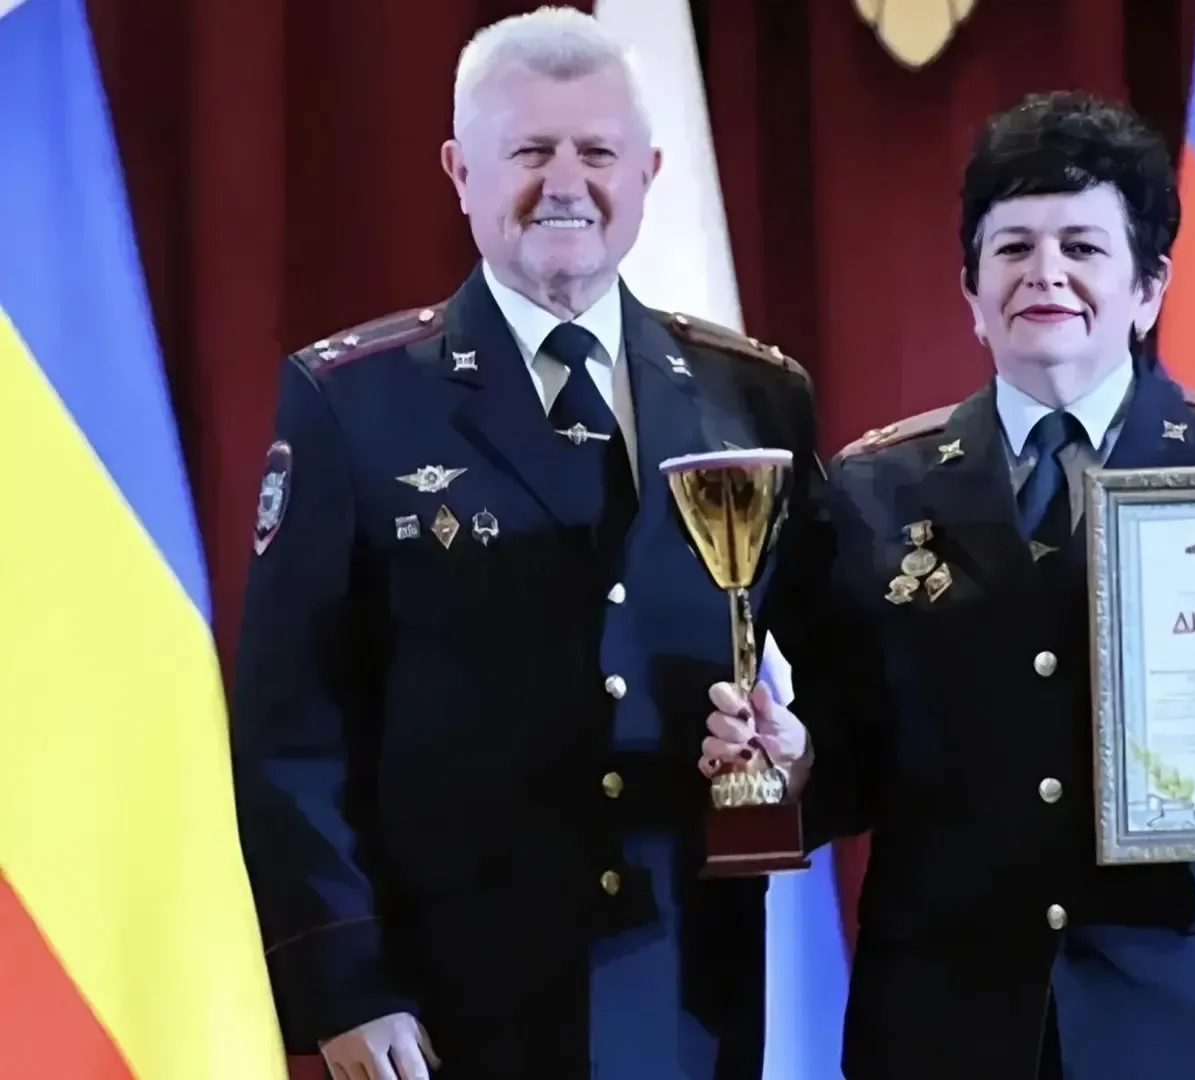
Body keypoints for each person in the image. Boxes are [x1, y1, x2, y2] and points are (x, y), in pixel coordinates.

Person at [712, 92, 1195, 1079]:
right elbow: (857, 755)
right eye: (1014, 248)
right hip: (958, 1029)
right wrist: (796, 763)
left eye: (1082, 246)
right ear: (971, 290)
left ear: (1148, 288)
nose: (1045, 272)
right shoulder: (873, 490)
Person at [229, 9, 828, 1079]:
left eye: (596, 151)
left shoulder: (754, 397)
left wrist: (798, 758)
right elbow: (290, 729)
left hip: (685, 996)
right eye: (529, 151)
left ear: (647, 173)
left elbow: (850, 681)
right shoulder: (352, 401)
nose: (565, 183)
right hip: (445, 1010)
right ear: (460, 172)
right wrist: (347, 986)